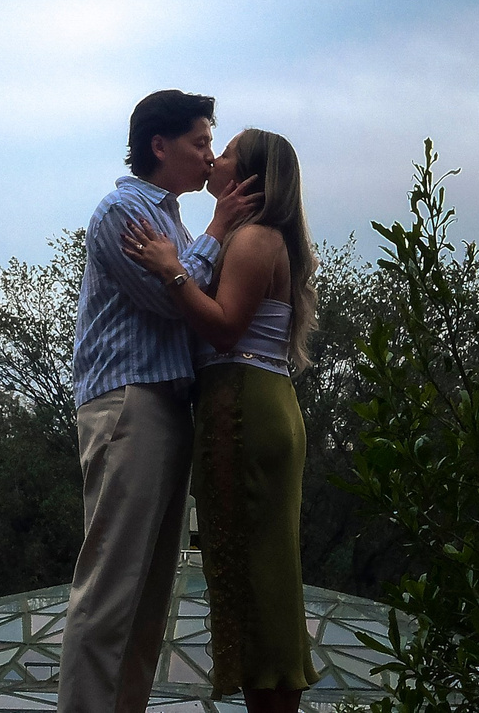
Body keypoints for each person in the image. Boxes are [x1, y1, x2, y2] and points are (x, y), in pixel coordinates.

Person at [59, 90, 260, 713]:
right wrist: (218, 229)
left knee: (149, 595)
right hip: (129, 403)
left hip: (167, 406)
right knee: (111, 584)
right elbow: (169, 298)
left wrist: (192, 250)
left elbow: (191, 294)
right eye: (200, 143)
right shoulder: (123, 211)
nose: (208, 157)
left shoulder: (172, 224)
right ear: (159, 146)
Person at [122, 128, 316, 713]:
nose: (214, 159)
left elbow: (227, 327)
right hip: (250, 401)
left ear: (249, 178)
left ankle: (272, 692)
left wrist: (171, 271)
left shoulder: (254, 239)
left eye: (226, 153)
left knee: (257, 570)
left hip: (244, 404)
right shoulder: (251, 236)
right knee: (258, 564)